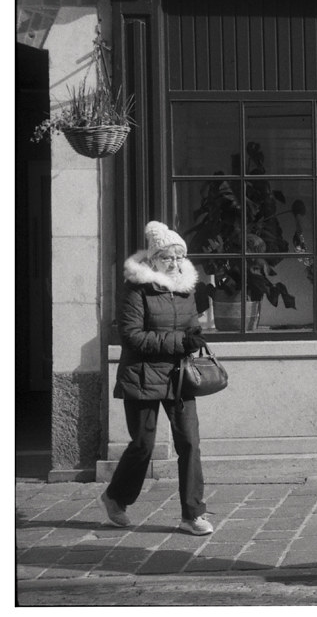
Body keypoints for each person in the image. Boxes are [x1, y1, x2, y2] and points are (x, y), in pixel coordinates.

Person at [98, 221, 213, 536]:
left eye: (179, 256)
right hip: (142, 376)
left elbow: (190, 325)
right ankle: (115, 497)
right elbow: (132, 336)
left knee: (189, 443)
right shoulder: (137, 288)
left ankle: (193, 514)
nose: (174, 263)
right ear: (153, 259)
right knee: (142, 445)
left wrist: (195, 336)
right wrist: (180, 342)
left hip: (178, 376)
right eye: (166, 257)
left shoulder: (186, 287)